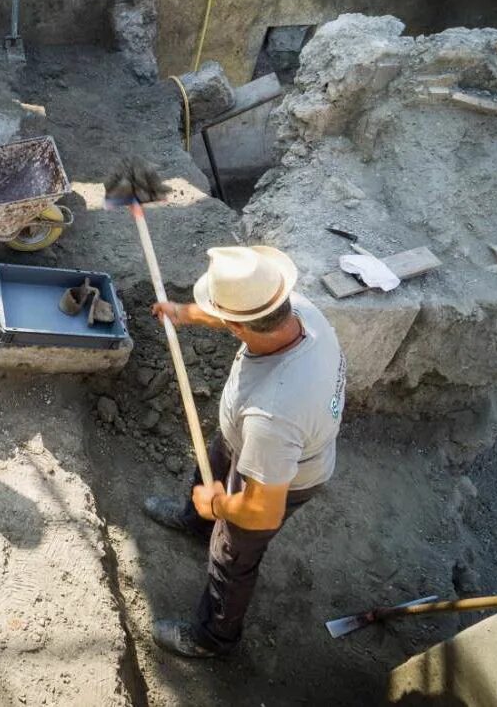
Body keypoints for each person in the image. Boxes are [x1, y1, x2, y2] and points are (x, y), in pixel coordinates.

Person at [143, 245, 346, 657]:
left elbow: (263, 511)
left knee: (233, 555)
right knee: (210, 470)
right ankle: (195, 524)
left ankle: (214, 638)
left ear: (240, 326)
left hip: (276, 475)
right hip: (247, 440)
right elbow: (241, 315)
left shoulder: (274, 416)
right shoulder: (297, 310)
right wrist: (186, 313)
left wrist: (219, 506)